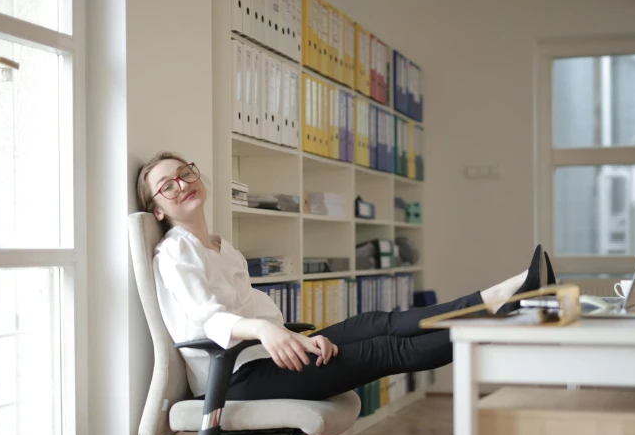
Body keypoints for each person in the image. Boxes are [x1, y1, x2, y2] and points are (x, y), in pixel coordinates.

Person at [137, 151, 551, 401]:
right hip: (234, 377)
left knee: (375, 323)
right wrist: (267, 330)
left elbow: (265, 328)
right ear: (158, 209)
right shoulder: (174, 251)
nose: (181, 185)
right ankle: (502, 320)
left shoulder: (222, 247)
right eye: (166, 187)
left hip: (270, 354)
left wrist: (295, 338)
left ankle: (498, 296)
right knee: (384, 350)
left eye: (184, 174)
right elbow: (208, 319)